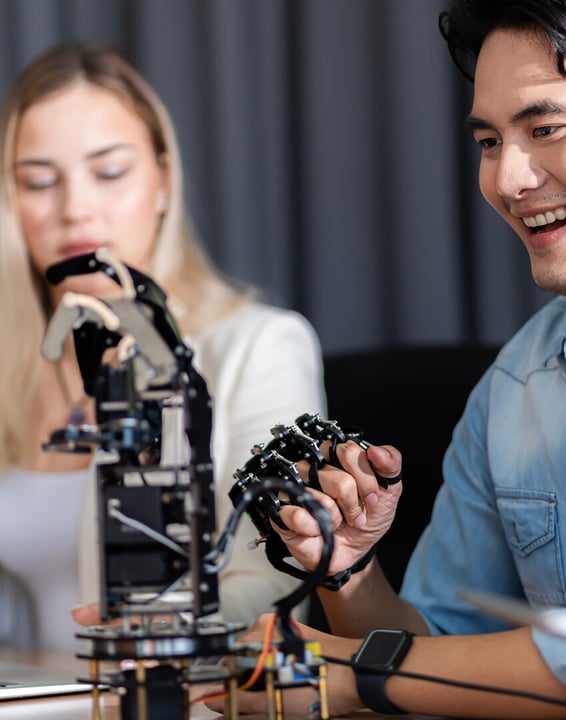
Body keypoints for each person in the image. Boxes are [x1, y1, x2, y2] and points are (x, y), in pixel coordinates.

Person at [205, 1, 566, 718]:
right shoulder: (516, 382)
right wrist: (349, 571)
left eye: (545, 129)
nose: (507, 179)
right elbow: (439, 654)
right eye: (488, 141)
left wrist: (353, 675)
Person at [0, 42, 326, 653]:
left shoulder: (259, 347)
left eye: (109, 171)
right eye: (39, 181)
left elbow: (273, 581)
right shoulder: (10, 366)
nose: (75, 209)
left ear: (162, 181)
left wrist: (155, 632)